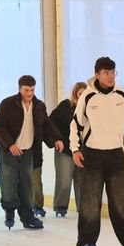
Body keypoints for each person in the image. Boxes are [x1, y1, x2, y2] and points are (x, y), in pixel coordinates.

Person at [70, 58, 124, 246]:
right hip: (92, 155)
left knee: (122, 201)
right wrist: (75, 149)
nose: (110, 76)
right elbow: (76, 125)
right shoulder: (87, 97)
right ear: (97, 75)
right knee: (90, 202)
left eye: (113, 72)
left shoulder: (122, 95)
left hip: (116, 155)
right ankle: (86, 243)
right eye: (105, 73)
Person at [0, 75, 63, 230]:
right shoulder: (8, 104)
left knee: (26, 186)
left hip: (28, 152)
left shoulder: (39, 106)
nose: (29, 93)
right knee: (8, 182)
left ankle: (28, 218)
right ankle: (9, 212)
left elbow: (46, 125)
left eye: (32, 89)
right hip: (8, 151)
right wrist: (10, 144)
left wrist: (57, 138)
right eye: (26, 90)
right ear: (19, 88)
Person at [49, 82, 87, 217]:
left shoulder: (90, 108)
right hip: (65, 149)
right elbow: (51, 121)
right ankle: (60, 206)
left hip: (83, 150)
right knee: (64, 180)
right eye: (80, 93)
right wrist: (57, 139)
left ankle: (83, 208)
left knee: (82, 180)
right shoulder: (66, 105)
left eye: (84, 93)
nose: (82, 96)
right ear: (76, 94)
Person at [31, 143, 46, 218]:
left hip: (35, 156)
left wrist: (56, 139)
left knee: (36, 183)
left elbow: (46, 132)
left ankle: (38, 206)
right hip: (17, 154)